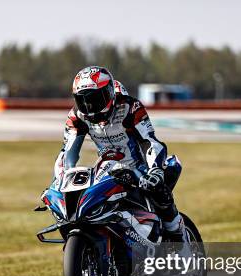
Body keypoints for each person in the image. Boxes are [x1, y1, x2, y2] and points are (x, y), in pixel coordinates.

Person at [53, 66, 188, 241]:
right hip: (107, 170)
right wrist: (60, 179)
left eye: (95, 99)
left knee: (159, 192)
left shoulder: (129, 107)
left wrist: (155, 170)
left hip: (141, 168)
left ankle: (180, 239)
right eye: (82, 100)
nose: (89, 106)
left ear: (109, 92)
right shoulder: (77, 116)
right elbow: (67, 152)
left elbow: (150, 141)